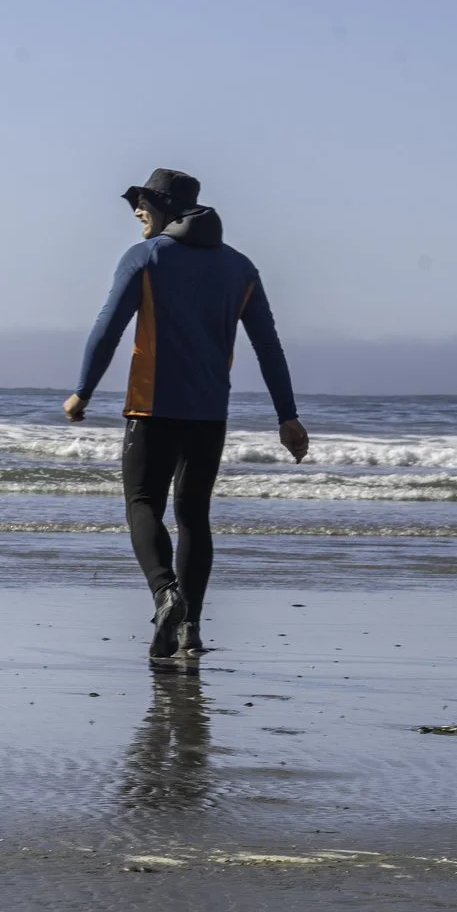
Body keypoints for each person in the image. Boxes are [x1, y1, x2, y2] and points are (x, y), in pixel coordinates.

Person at [65, 168, 307, 664]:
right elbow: (268, 346)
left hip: (151, 409)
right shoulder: (240, 268)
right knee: (194, 515)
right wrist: (288, 415)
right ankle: (189, 629)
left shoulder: (147, 257)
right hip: (209, 415)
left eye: (145, 205)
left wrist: (82, 392)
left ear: (165, 211)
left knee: (142, 503)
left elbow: (108, 326)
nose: (137, 212)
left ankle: (165, 596)